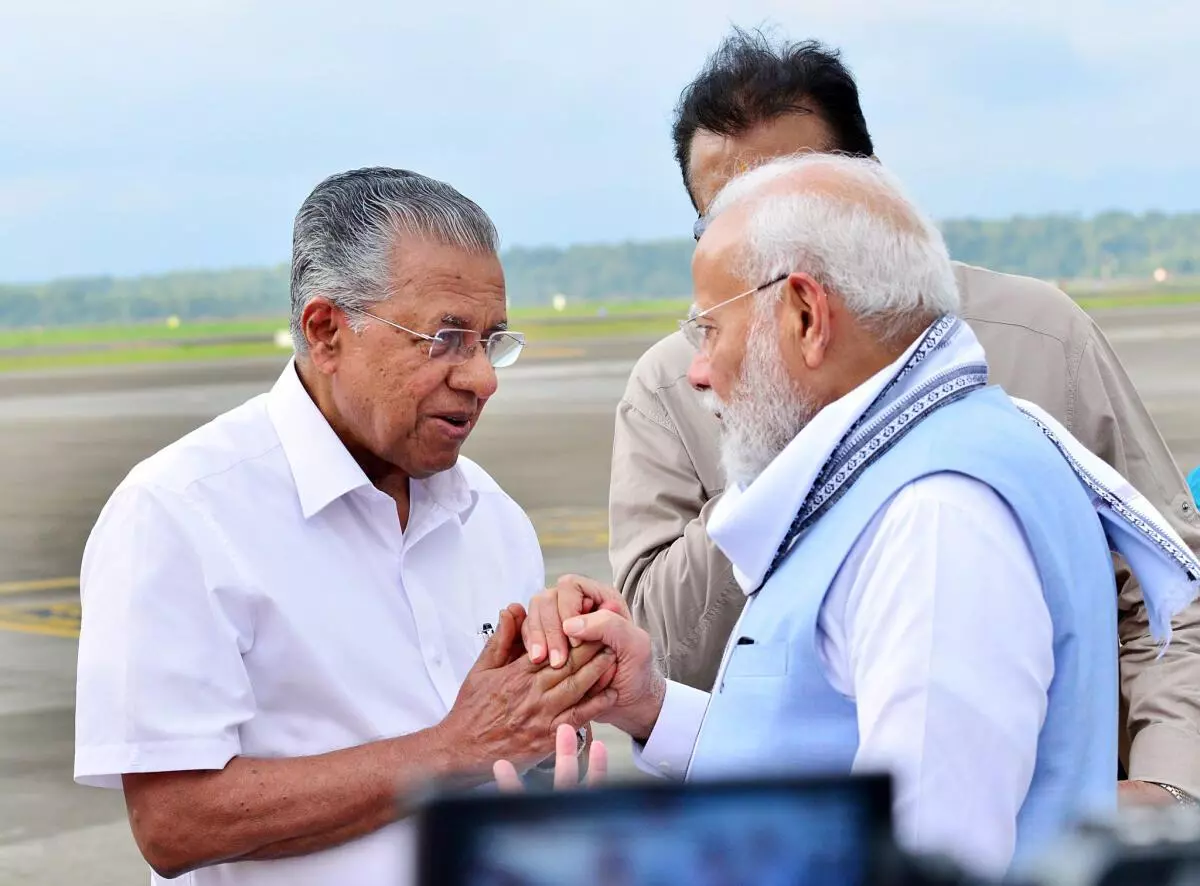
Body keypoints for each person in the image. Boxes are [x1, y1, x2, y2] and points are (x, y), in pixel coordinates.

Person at [517, 153, 1200, 877]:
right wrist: (653, 705)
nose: (698, 371)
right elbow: (828, 750)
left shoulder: (935, 517)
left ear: (807, 316)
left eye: (709, 331)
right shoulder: (910, 466)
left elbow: (924, 859)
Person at [606, 30, 1200, 804]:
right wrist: (767, 439)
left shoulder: (1019, 369)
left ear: (872, 187)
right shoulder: (672, 387)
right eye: (724, 214)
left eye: (788, 200)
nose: (756, 235)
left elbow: (1168, 590)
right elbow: (692, 658)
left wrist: (1168, 787)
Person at [73, 168, 616, 886]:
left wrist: (550, 738)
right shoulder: (180, 512)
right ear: (326, 332)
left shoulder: (493, 518)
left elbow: (500, 763)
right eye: (447, 338)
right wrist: (452, 748)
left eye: (493, 340)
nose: (483, 378)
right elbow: (174, 824)